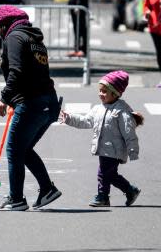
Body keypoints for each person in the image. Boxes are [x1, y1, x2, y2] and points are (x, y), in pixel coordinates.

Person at [0, 5, 62, 211]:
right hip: (48, 102)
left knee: (14, 150)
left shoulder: (14, 37)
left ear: (4, 25)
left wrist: (4, 99)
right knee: (24, 149)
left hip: (32, 103)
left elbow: (16, 71)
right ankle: (46, 189)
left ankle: (17, 199)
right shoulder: (34, 39)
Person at [58, 70, 143, 207]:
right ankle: (130, 190)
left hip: (115, 150)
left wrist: (133, 150)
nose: (100, 94)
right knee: (111, 175)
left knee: (103, 173)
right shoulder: (98, 109)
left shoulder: (122, 111)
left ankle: (103, 197)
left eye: (104, 91)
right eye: (100, 91)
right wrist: (69, 118)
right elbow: (85, 121)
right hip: (103, 148)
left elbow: (129, 132)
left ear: (115, 93)